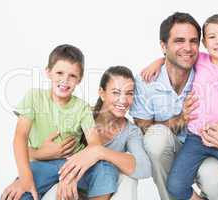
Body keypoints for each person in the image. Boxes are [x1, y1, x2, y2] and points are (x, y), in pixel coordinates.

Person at [130, 12, 218, 200]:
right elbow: (143, 129)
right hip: (191, 142)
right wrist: (158, 62)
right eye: (179, 41)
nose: (188, 48)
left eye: (193, 41)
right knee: (167, 166)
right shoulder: (150, 80)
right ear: (164, 46)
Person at [1, 44, 120, 200]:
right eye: (59, 73)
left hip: (73, 163)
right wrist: (24, 177)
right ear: (48, 72)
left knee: (106, 169)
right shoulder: (34, 98)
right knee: (16, 194)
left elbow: (94, 145)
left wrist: (71, 174)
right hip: (42, 165)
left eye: (72, 76)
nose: (65, 80)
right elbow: (20, 137)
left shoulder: (82, 107)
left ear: (80, 79)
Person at [52, 66, 151, 200]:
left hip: (103, 191)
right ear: (102, 93)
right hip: (68, 187)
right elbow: (44, 153)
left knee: (129, 179)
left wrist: (99, 152)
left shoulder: (131, 131)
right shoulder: (82, 115)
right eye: (116, 92)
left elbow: (144, 168)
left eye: (129, 93)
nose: (123, 100)